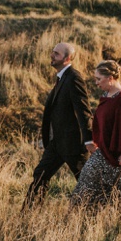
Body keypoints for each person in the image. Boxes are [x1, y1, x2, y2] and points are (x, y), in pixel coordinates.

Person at [70, 60, 121, 209]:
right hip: (105, 151)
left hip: (118, 157)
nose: (96, 83)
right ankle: (84, 216)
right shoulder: (108, 95)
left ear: (111, 78)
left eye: (98, 79)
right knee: (89, 185)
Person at [23, 42, 92, 209]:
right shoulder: (62, 77)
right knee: (40, 174)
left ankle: (97, 212)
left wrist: (89, 139)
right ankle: (29, 214)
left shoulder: (74, 78)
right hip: (57, 143)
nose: (52, 55)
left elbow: (84, 111)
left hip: (72, 143)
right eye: (52, 52)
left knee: (85, 181)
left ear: (67, 58)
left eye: (56, 54)